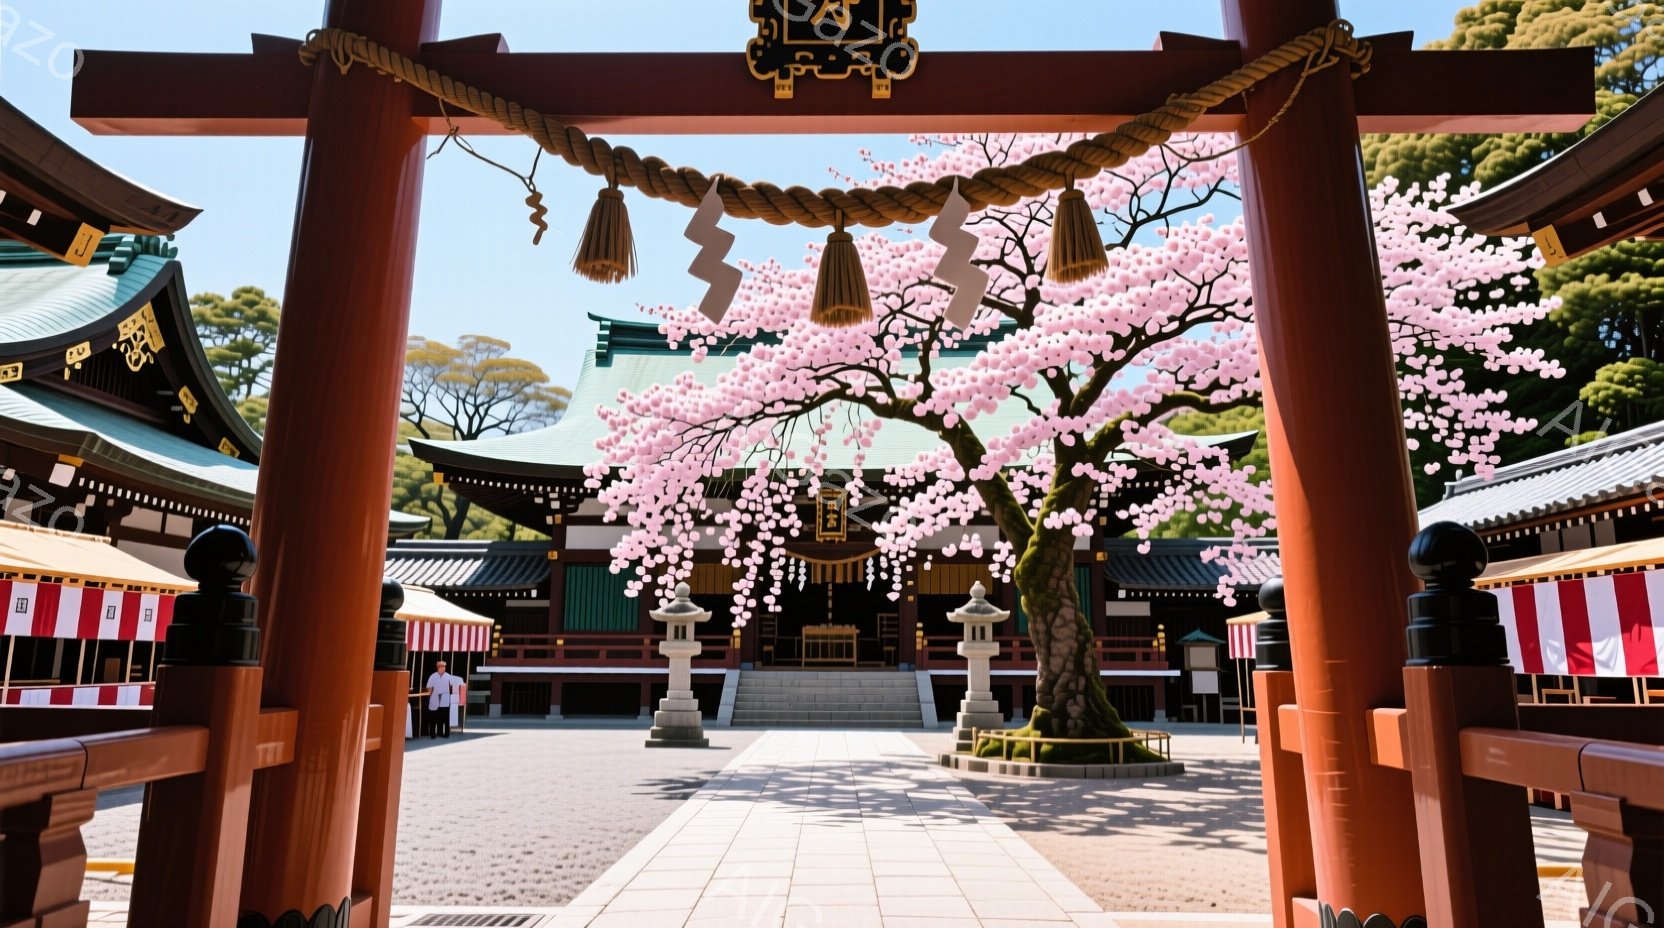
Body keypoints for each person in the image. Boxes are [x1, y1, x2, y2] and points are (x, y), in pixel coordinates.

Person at [425, 660, 459, 738]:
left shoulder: (448, 676)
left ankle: (445, 733)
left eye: (444, 667)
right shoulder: (433, 676)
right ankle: (433, 734)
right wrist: (430, 694)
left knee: (445, 718)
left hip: (445, 699)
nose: (442, 668)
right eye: (441, 667)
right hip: (435, 698)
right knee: (433, 718)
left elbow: (452, 686)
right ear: (438, 668)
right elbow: (429, 688)